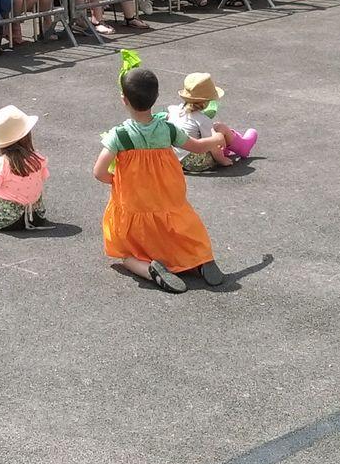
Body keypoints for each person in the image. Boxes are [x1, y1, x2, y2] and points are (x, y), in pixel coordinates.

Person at [94, 61, 223, 293]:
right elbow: (197, 146)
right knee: (179, 223)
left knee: (125, 254)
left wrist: (116, 181)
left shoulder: (120, 135)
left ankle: (150, 269)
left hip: (135, 200)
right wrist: (216, 139)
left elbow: (99, 171)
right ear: (155, 98)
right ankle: (200, 259)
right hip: (167, 194)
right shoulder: (168, 129)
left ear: (124, 99)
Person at [167, 72, 256, 173]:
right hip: (195, 162)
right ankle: (243, 147)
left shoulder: (174, 111)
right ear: (206, 103)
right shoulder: (202, 120)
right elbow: (213, 144)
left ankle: (230, 145)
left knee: (212, 129)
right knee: (220, 127)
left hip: (176, 158)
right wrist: (222, 160)